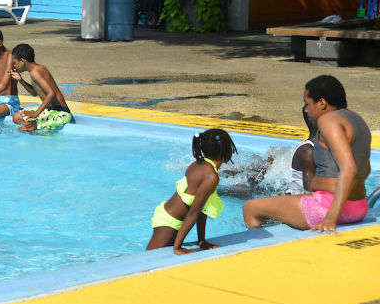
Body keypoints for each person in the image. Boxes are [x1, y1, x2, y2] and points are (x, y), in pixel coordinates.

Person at [243, 75, 371, 233]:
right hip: (359, 208)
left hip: (328, 209)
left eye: (308, 103)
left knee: (250, 208)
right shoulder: (358, 120)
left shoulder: (328, 120)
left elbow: (350, 169)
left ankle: (261, 255)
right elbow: (365, 169)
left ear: (322, 103)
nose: (307, 110)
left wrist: (330, 217)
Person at [147, 128, 238, 255]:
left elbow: (202, 209)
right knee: (150, 257)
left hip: (170, 214)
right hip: (169, 222)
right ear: (228, 151)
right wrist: (177, 248)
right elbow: (193, 212)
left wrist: (202, 241)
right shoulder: (211, 177)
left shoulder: (199, 164)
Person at [9, 43, 74, 133]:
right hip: (50, 111)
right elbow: (35, 93)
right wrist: (20, 80)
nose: (14, 66)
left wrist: (35, 114)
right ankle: (33, 127)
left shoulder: (35, 72)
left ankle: (36, 130)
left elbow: (51, 93)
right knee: (16, 117)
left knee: (22, 130)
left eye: (15, 63)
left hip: (61, 114)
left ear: (23, 61)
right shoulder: (38, 69)